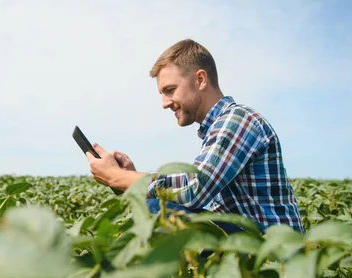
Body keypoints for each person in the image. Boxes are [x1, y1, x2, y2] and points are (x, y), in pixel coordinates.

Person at [85, 39, 304, 234]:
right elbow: (188, 181)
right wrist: (131, 177)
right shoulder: (218, 127)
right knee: (162, 207)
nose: (164, 103)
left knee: (160, 211)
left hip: (275, 251)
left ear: (200, 79)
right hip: (249, 238)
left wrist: (117, 177)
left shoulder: (237, 119)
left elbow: (195, 189)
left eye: (170, 90)